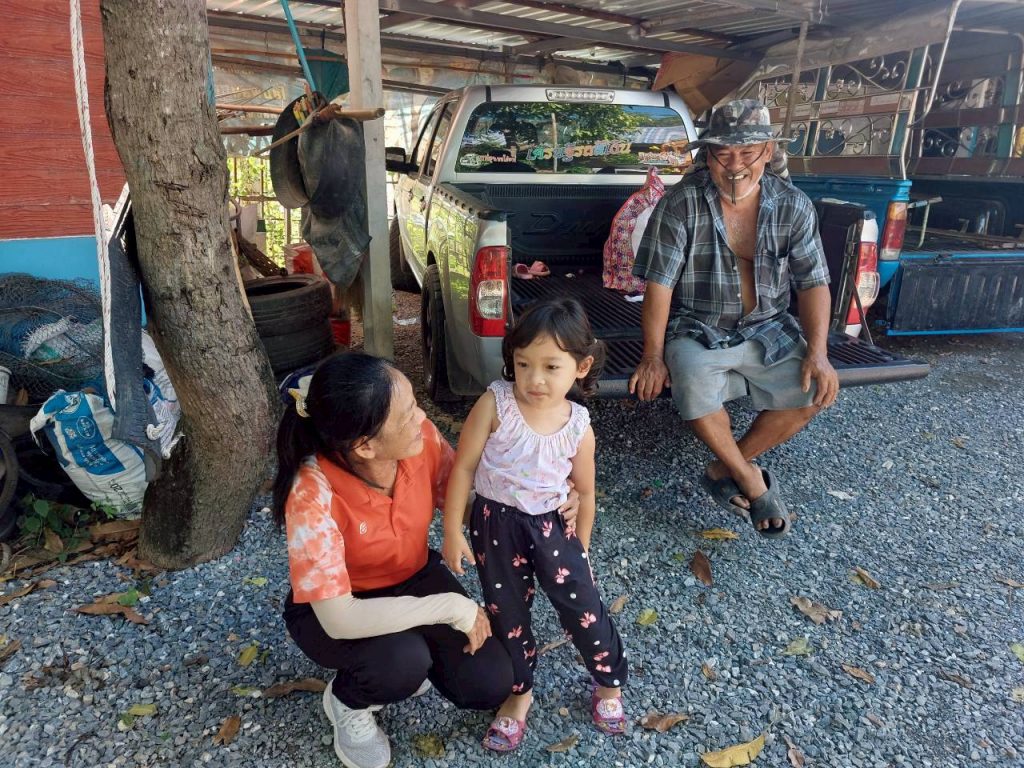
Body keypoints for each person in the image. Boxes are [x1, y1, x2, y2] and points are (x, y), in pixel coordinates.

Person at [273, 352, 576, 768]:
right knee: (400, 662)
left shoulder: (422, 440)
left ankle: (417, 657)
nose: (421, 417)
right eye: (407, 416)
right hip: (342, 606)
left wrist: (546, 508)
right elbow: (339, 619)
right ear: (365, 446)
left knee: (490, 682)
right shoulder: (311, 491)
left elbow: (468, 504)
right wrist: (450, 607)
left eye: (414, 403)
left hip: (414, 576)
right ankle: (347, 701)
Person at [629, 99, 839, 538]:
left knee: (815, 391)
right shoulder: (681, 203)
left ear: (768, 151)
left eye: (747, 152)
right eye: (723, 154)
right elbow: (659, 285)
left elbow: (814, 282)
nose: (735, 165)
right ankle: (748, 478)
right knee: (691, 384)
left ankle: (723, 467)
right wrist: (652, 356)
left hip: (769, 326)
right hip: (699, 326)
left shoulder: (794, 205)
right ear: (708, 157)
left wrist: (819, 353)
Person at [441, 298, 628, 752]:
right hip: (495, 527)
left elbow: (586, 491)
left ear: (581, 367)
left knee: (584, 608)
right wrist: (451, 530)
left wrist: (582, 548)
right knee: (507, 613)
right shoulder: (495, 404)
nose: (534, 379)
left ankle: (609, 683)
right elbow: (463, 468)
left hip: (553, 529)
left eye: (551, 366)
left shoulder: (578, 425)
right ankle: (519, 692)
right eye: (523, 364)